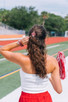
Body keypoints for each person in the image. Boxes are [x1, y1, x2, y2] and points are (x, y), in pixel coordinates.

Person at [0, 25, 62, 102]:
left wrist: (19, 43)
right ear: (45, 39)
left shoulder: (22, 59)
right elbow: (59, 90)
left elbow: (2, 50)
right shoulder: (53, 61)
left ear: (29, 39)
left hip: (26, 99)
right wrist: (49, 76)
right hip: (45, 99)